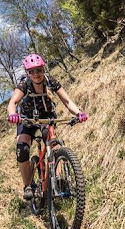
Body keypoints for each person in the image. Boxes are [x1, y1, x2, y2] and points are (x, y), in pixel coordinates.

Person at [6, 54, 88, 200]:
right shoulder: (24, 85)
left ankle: (57, 179)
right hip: (27, 119)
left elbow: (67, 101)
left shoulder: (51, 82)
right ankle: (28, 185)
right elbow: (12, 103)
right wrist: (13, 114)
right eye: (32, 71)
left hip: (46, 118)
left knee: (54, 144)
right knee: (22, 149)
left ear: (43, 69)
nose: (36, 74)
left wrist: (79, 113)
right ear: (28, 73)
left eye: (38, 70)